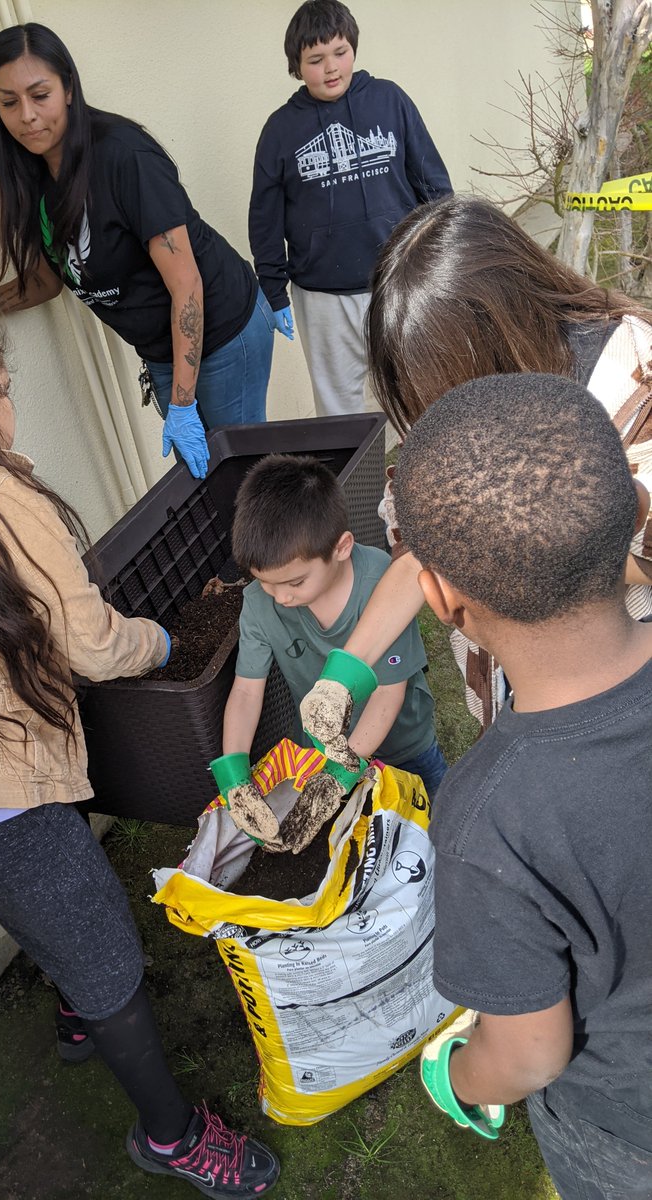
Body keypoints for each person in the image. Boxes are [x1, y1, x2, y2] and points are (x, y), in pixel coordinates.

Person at [0, 305, 280, 1198]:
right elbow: (95, 645)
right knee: (106, 951)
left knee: (23, 894)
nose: (11, 404)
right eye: (6, 387)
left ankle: (71, 1003)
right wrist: (168, 644)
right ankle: (171, 1137)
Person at [393, 372, 652, 1200]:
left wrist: (461, 1080)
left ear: (440, 598)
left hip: (627, 1138)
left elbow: (532, 1054)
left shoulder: (486, 825)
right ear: (636, 519)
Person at [301, 193, 652, 746]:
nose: (431, 416)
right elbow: (423, 547)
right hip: (523, 689)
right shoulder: (462, 397)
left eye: (436, 389)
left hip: (614, 693)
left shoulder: (632, 378)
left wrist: (508, 553)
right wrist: (343, 674)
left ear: (490, 342)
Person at [0, 22, 276, 480]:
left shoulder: (124, 156)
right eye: (8, 102)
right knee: (204, 478)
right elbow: (49, 280)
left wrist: (183, 406)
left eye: (39, 95)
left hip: (225, 329)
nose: (26, 115)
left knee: (244, 479)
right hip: (164, 348)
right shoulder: (32, 175)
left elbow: (186, 283)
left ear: (67, 88)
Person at [221, 453, 445, 845]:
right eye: (266, 583)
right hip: (320, 757)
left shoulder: (383, 587)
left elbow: (389, 694)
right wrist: (235, 775)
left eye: (295, 582)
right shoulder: (260, 602)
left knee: (438, 830)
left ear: (341, 547)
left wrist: (342, 774)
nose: (280, 597)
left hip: (404, 747)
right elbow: (244, 691)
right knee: (359, 848)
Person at [248, 0, 451, 417]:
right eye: (316, 59)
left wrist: (447, 255)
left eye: (340, 52)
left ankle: (426, 478)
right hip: (323, 296)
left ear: (353, 48)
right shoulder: (280, 131)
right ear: (297, 66)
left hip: (401, 280)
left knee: (423, 389)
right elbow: (265, 219)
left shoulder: (389, 100)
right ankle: (360, 485)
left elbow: (433, 183)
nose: (331, 68)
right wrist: (273, 290)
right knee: (340, 411)